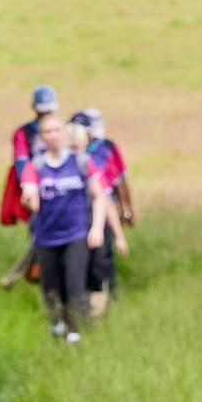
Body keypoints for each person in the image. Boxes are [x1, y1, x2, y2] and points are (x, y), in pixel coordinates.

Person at [16, 112, 113, 340]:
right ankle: (57, 323)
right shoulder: (36, 166)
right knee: (51, 286)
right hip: (46, 236)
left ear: (65, 134)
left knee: (74, 282)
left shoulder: (81, 163)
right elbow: (29, 190)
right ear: (42, 137)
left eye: (56, 130)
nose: (52, 136)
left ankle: (75, 330)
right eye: (47, 132)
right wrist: (29, 199)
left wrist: (97, 228)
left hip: (76, 234)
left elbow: (100, 196)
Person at [0, 82, 56, 288]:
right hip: (36, 190)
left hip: (61, 189)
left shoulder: (59, 130)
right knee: (38, 230)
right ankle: (35, 271)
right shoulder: (24, 133)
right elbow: (22, 161)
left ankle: (33, 271)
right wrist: (29, 188)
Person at [71, 106, 132, 295]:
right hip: (74, 219)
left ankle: (106, 295)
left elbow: (114, 186)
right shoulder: (64, 161)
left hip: (102, 212)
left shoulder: (105, 150)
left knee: (102, 258)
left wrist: (126, 210)